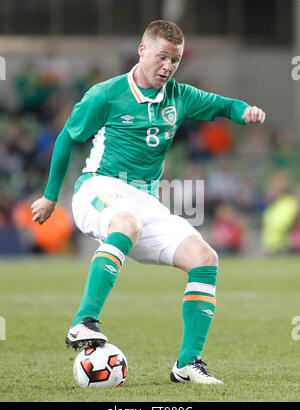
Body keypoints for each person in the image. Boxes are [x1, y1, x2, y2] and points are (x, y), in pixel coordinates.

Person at [31, 20, 265, 385]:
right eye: (161, 58)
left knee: (205, 259)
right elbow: (66, 139)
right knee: (125, 223)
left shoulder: (179, 96)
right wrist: (49, 197)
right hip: (98, 188)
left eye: (175, 60)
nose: (167, 67)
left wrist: (245, 110)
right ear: (142, 51)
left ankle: (188, 365)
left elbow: (224, 105)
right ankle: (83, 322)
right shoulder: (105, 94)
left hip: (146, 200)